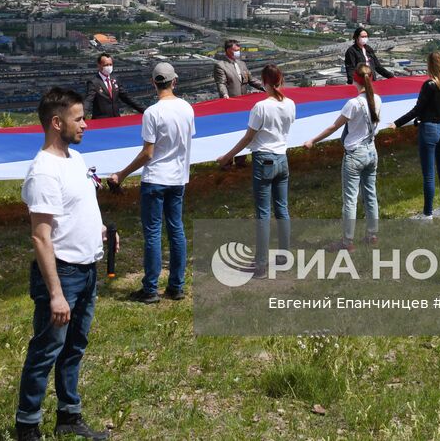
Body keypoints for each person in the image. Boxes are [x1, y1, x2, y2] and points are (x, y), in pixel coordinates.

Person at [15, 87, 111, 441]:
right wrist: (55, 293)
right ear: (57, 123)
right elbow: (41, 237)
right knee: (45, 350)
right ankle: (27, 425)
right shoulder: (43, 172)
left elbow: (76, 207)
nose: (85, 124)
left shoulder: (75, 159)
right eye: (79, 118)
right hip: (63, 274)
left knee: (74, 347)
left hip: (86, 270)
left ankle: (69, 416)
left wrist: (98, 228)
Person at [109, 62, 195, 304]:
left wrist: (122, 174)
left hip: (156, 178)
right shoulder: (187, 108)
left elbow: (148, 153)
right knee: (176, 230)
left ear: (153, 83)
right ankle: (176, 285)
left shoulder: (152, 113)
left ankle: (150, 288)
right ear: (174, 81)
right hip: (178, 178)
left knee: (153, 233)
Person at [214, 65, 295, 276]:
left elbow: (248, 138)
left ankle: (260, 263)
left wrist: (227, 156)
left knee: (263, 213)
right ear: (281, 80)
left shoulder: (260, 107)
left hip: (264, 160)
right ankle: (284, 256)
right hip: (282, 158)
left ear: (264, 82)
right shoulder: (290, 104)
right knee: (282, 209)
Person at [304, 64, 387, 250]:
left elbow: (334, 127)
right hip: (371, 150)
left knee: (350, 199)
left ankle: (347, 241)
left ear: (355, 80)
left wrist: (313, 140)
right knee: (370, 194)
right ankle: (372, 235)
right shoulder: (378, 99)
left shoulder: (353, 104)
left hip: (355, 153)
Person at [393, 52, 440, 220]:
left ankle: (427, 214)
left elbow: (417, 110)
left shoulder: (429, 85)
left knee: (429, 175)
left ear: (430, 65)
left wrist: (397, 123)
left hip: (429, 128)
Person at [85, 54, 145, 119]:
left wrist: (145, 110)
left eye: (110, 64)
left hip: (116, 120)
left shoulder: (115, 79)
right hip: (101, 121)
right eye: (106, 65)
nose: (109, 67)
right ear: (99, 65)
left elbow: (127, 98)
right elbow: (88, 101)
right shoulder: (93, 82)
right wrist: (81, 117)